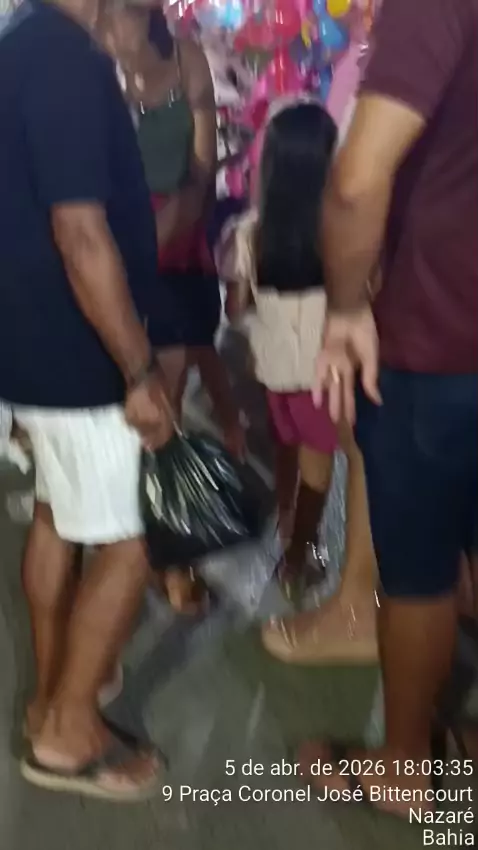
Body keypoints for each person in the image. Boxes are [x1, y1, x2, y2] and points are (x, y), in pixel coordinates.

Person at [297, 0, 478, 819]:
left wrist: (343, 310)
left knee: (419, 577)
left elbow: (355, 180)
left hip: (435, 341)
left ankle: (404, 771)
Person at [0, 0, 179, 800]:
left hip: (32, 342)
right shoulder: (67, 62)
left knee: (56, 514)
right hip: (80, 351)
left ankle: (52, 695)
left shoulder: (20, 45)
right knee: (136, 533)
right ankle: (68, 734)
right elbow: (80, 232)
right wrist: (139, 371)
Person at [217, 98, 378, 662]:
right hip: (320, 380)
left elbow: (235, 309)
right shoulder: (337, 236)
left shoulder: (250, 233)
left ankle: (290, 532)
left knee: (292, 457)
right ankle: (298, 558)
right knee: (322, 473)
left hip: (275, 376)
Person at [100, 0, 244, 613]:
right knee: (132, 401)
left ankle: (166, 550)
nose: (108, 27)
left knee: (169, 394)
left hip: (179, 246)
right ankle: (142, 547)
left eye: (117, 16)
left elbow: (202, 169)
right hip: (116, 247)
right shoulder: (97, 66)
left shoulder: (187, 59)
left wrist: (172, 224)